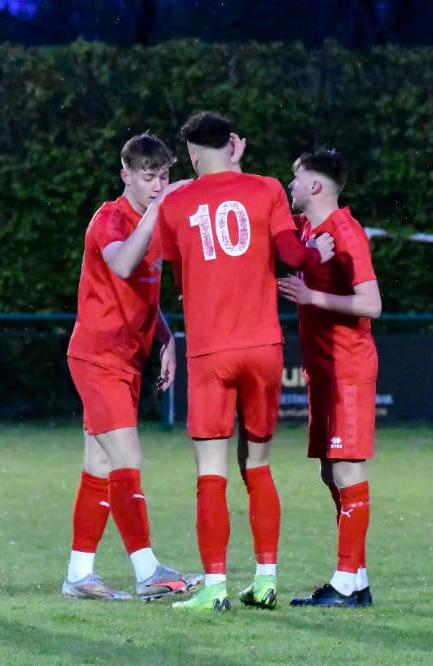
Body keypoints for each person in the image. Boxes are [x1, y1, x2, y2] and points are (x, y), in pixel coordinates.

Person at [156, 111, 334, 612]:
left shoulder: (177, 202)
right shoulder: (267, 188)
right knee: (258, 465)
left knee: (211, 472)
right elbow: (292, 256)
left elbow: (176, 274)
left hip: (211, 349)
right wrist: (316, 251)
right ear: (232, 144)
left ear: (193, 154)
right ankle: (265, 580)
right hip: (262, 347)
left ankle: (214, 587)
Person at [63, 133, 205, 601]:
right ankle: (148, 571)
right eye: (148, 178)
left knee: (100, 466)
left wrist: (167, 338)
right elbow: (123, 264)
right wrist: (156, 212)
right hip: (97, 357)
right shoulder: (109, 218)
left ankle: (78, 575)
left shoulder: (153, 221)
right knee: (129, 460)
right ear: (125, 175)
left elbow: (144, 292)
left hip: (126, 360)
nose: (158, 186)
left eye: (164, 177)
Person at [276, 150, 381, 608]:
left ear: (315, 185)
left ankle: (343, 583)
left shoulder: (346, 231)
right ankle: (356, 581)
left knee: (347, 469)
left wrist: (312, 296)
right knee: (329, 471)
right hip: (323, 371)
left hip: (348, 368)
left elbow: (372, 303)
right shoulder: (306, 230)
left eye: (297, 177)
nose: (291, 185)